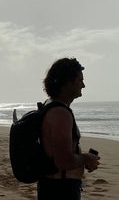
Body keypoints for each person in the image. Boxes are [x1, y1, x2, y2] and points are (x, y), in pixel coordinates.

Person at [38, 58, 99, 199]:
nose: (83, 85)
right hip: (61, 190)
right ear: (66, 83)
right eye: (79, 80)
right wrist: (88, 157)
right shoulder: (60, 113)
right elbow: (64, 161)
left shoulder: (51, 106)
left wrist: (84, 160)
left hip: (55, 186)